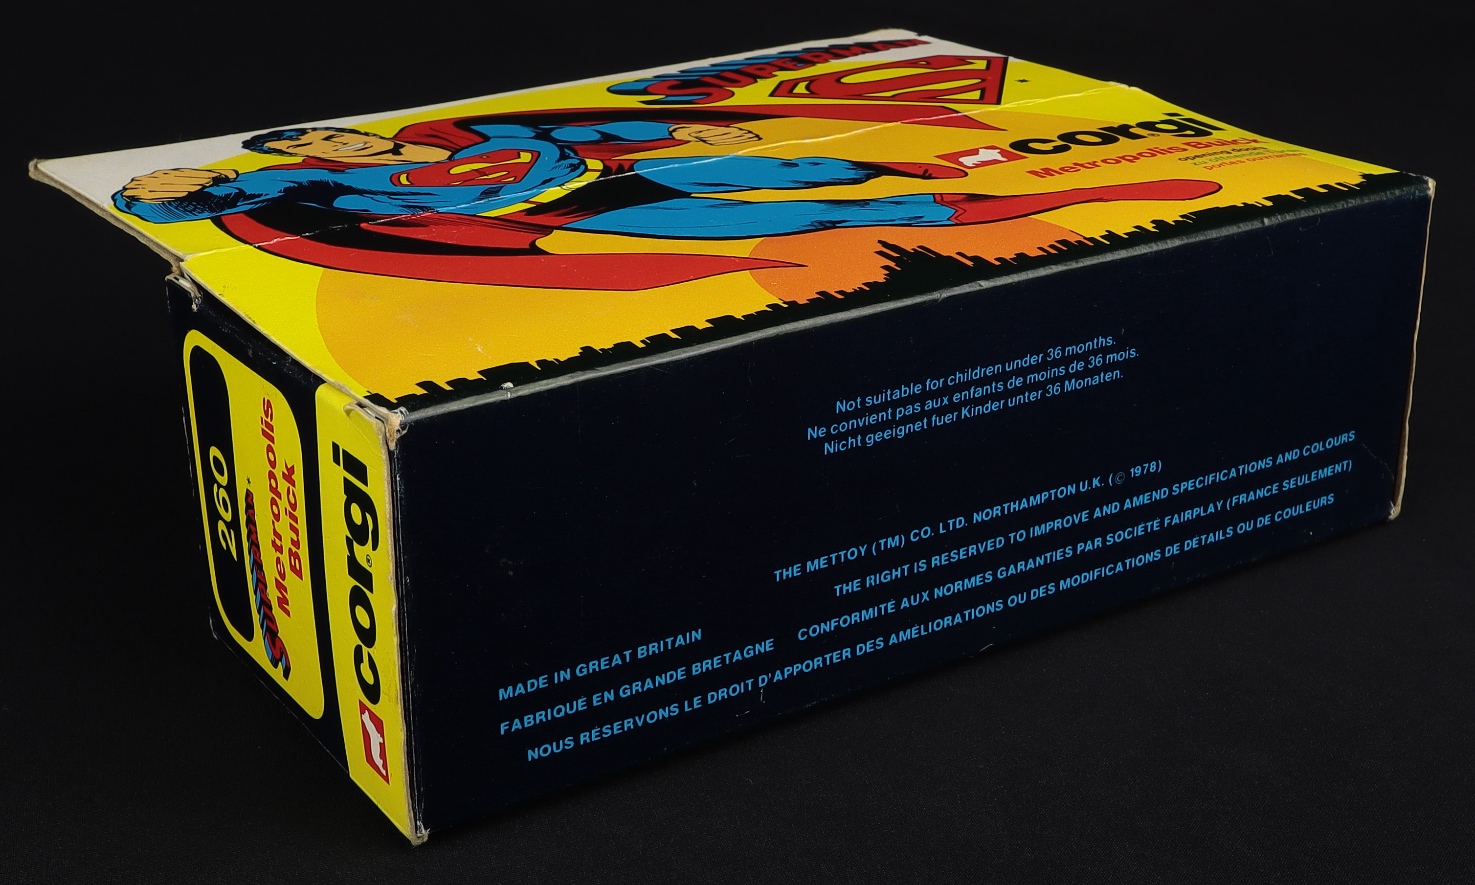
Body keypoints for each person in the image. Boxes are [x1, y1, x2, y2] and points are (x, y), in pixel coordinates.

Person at [114, 115, 1221, 289]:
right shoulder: (300, 183)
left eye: (333, 134)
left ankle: (961, 178)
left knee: (816, 174)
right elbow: (171, 210)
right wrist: (164, 190)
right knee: (822, 216)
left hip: (622, 174)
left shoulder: (462, 134)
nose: (335, 144)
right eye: (316, 143)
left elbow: (593, 136)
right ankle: (1100, 195)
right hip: (593, 216)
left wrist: (685, 138)